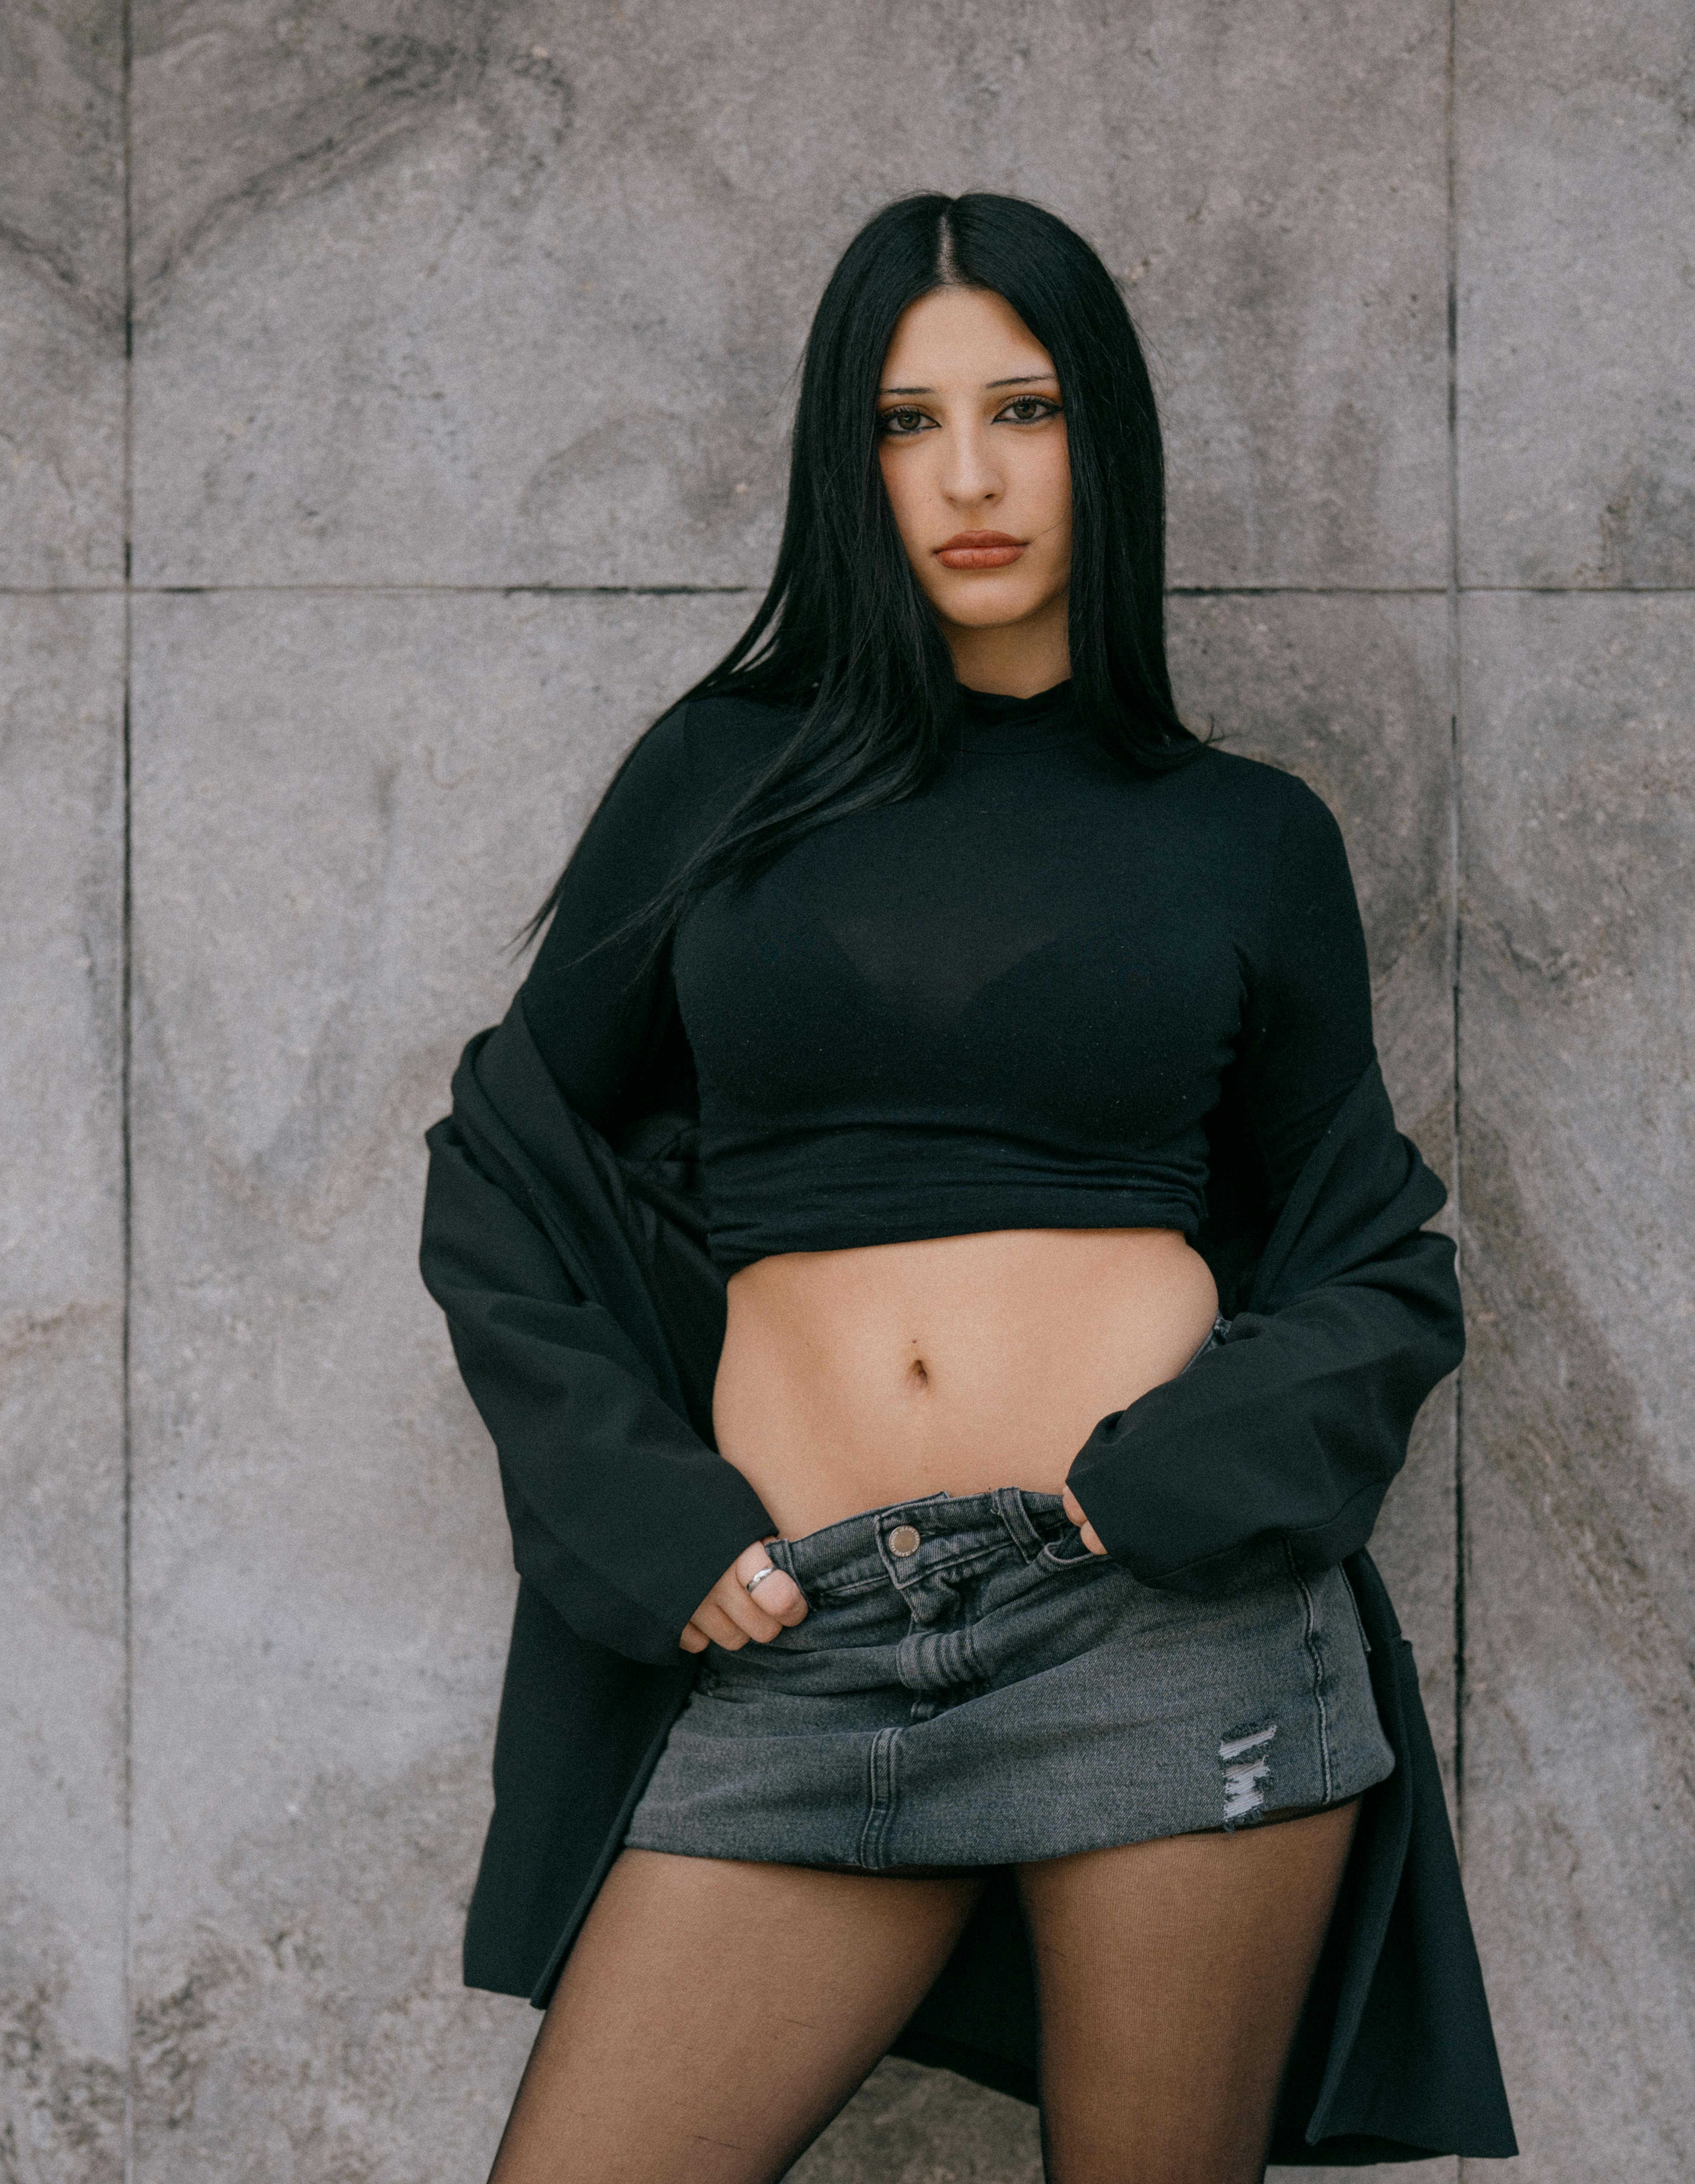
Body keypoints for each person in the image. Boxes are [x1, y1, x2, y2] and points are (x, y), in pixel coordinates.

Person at [420, 193, 1513, 2182]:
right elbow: (504, 1171)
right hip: (809, 1635)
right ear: (852, 466)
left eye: (1022, 408)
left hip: (1160, 1628)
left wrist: (1180, 1475)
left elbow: (1377, 1262)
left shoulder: (1246, 839)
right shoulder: (723, 776)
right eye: (907, 425)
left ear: (1106, 433)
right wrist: (641, 1514)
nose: (972, 476)